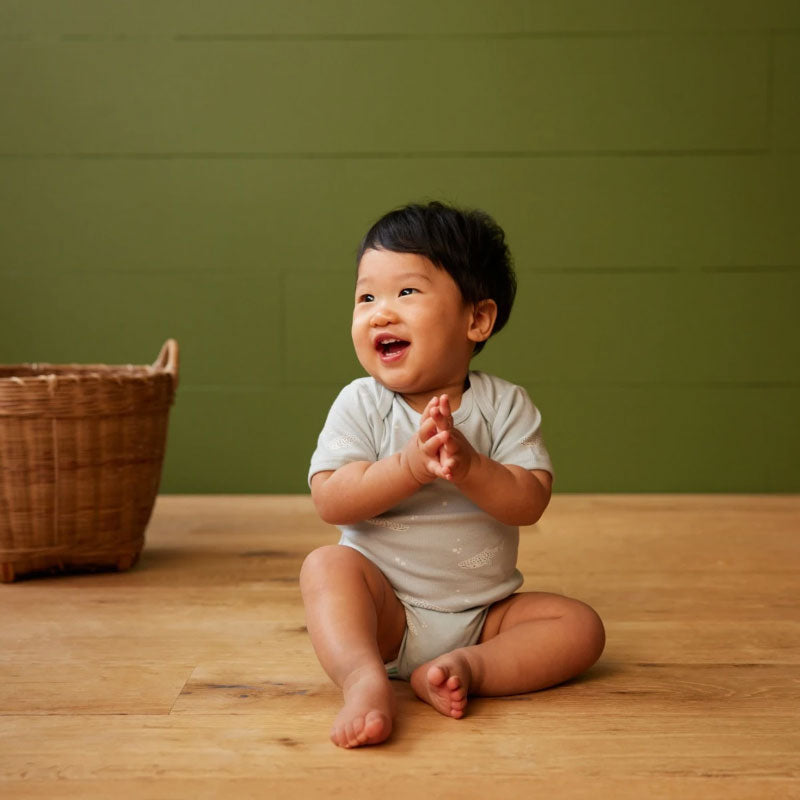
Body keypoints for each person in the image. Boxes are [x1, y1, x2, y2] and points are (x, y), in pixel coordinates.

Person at [301, 201, 605, 749]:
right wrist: (411, 466)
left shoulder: (505, 405)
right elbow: (331, 499)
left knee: (581, 627)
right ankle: (363, 678)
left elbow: (529, 502)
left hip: (486, 611)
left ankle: (469, 667)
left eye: (407, 293)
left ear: (477, 319)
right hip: (385, 609)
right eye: (366, 296)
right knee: (326, 567)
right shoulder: (362, 404)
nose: (381, 312)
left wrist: (470, 467)